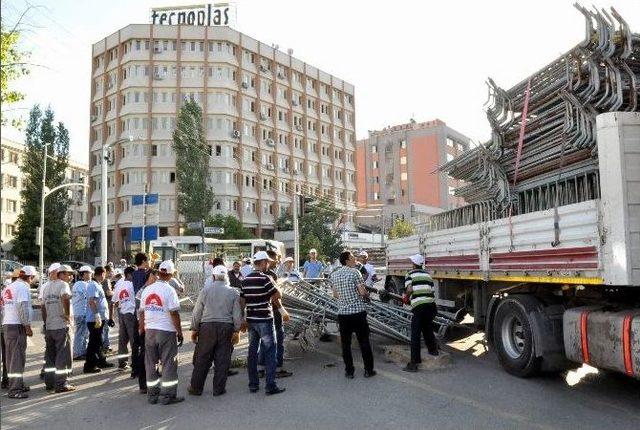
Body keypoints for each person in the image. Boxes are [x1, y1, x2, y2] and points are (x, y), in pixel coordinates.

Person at [188, 265, 242, 396]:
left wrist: (194, 328)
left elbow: (197, 312)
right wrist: (236, 330)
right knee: (222, 359)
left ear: (213, 276)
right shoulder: (233, 292)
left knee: (202, 358)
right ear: (226, 277)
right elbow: (237, 314)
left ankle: (196, 388)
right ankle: (218, 389)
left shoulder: (205, 290)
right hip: (226, 327)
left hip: (207, 328)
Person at [240, 251, 286, 395]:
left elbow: (242, 301)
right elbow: (278, 295)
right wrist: (273, 283)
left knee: (252, 352)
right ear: (264, 263)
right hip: (265, 319)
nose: (269, 265)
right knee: (270, 352)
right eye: (268, 262)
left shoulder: (245, 280)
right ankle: (270, 386)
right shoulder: (265, 278)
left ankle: (253, 384)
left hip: (251, 320)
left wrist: (243, 319)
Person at [139, 260, 184, 405]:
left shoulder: (147, 289)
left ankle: (152, 395)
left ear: (158, 273)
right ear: (170, 275)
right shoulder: (169, 290)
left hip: (150, 331)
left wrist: (142, 329)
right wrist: (180, 332)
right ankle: (169, 396)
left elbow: (141, 312)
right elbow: (174, 313)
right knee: (169, 363)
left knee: (151, 364)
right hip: (166, 331)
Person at [329, 251, 375, 379]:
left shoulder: (334, 275)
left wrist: (345, 297)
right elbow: (361, 292)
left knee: (346, 344)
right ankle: (368, 370)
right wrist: (366, 295)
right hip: (358, 312)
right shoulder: (355, 272)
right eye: (353, 258)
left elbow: (335, 295)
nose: (355, 260)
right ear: (347, 260)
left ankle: (349, 371)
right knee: (364, 342)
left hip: (343, 314)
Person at [2, 266, 36, 398]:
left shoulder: (10, 287)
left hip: (9, 325)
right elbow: (22, 307)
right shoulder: (22, 288)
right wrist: (27, 326)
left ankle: (16, 384)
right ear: (30, 277)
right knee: (16, 358)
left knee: (13, 358)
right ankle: (15, 390)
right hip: (17, 326)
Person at [41, 264, 75, 393]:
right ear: (61, 274)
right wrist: (67, 315)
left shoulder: (47, 286)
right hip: (61, 325)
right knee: (62, 355)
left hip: (50, 326)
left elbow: (43, 307)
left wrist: (46, 322)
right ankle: (61, 384)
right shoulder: (63, 285)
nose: (71, 276)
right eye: (68, 274)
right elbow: (65, 297)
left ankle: (49, 382)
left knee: (50, 356)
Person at [258, 250, 292, 379]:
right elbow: (275, 296)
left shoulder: (253, 275)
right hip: (273, 312)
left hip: (260, 313)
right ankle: (277, 369)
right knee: (278, 341)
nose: (277, 261)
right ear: (269, 259)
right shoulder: (271, 275)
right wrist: (282, 310)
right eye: (276, 259)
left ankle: (260, 368)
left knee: (263, 341)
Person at [402, 254, 439, 372]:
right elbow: (432, 291)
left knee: (415, 334)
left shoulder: (410, 274)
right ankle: (433, 350)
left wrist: (407, 298)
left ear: (413, 264)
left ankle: (414, 363)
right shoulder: (427, 275)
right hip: (431, 306)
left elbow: (409, 289)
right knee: (427, 328)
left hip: (419, 306)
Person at [84, 267, 114, 373]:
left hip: (99, 318)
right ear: (102, 274)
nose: (105, 276)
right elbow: (92, 301)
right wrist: (97, 315)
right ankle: (89, 365)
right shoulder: (93, 285)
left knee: (99, 341)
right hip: (94, 319)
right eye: (104, 274)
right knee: (94, 342)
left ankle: (101, 361)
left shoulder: (97, 284)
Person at [112, 266, 138, 373]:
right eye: (134, 275)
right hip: (131, 313)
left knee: (122, 340)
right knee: (134, 339)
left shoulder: (119, 284)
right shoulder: (133, 285)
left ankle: (122, 363)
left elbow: (114, 301)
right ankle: (135, 363)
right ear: (129, 275)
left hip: (122, 313)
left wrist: (112, 316)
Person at [72, 266, 92, 360]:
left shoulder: (76, 284)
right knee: (81, 333)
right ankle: (78, 353)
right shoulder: (84, 285)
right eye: (88, 273)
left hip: (78, 311)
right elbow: (89, 297)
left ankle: (82, 351)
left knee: (82, 333)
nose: (90, 275)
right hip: (83, 312)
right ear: (83, 274)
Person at [102, 265, 115, 352]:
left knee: (105, 327)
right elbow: (108, 293)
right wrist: (115, 292)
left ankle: (105, 344)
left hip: (106, 306)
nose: (112, 273)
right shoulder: (106, 281)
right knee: (106, 328)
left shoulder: (106, 281)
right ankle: (106, 345)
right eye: (110, 271)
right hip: (106, 306)